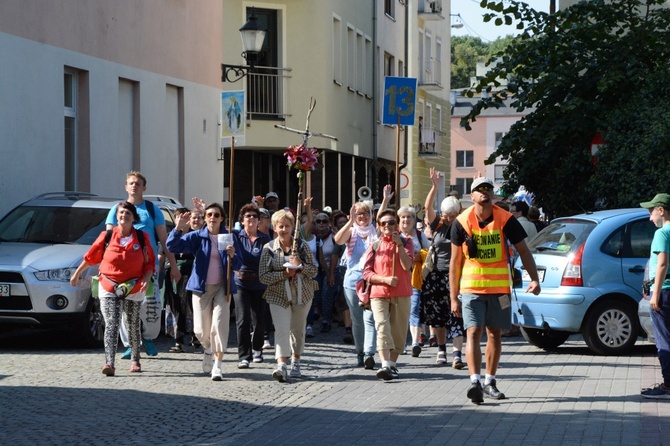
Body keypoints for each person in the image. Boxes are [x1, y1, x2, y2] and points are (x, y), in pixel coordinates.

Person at [450, 177, 541, 404]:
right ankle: (474, 381)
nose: (485, 192)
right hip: (471, 288)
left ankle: (490, 381)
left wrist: (534, 278)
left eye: (488, 189)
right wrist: (453, 298)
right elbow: (455, 263)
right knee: (473, 332)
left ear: (493, 195)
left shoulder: (506, 219)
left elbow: (523, 250)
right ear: (471, 196)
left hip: (499, 289)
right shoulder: (461, 222)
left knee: (494, 334)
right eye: (479, 189)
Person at [70, 201, 155, 375]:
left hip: (133, 286)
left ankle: (135, 359)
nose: (123, 216)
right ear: (117, 216)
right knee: (111, 323)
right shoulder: (107, 236)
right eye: (121, 213)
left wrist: (146, 278)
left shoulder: (141, 237)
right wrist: (77, 273)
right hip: (109, 284)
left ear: (134, 218)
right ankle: (109, 363)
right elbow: (91, 256)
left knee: (132, 323)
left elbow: (149, 263)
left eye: (127, 214)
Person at [106, 171, 180, 358]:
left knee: (150, 305)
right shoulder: (117, 209)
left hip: (148, 267)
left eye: (138, 184)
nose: (134, 186)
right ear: (126, 186)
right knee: (124, 307)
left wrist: (173, 265)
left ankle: (147, 337)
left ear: (144, 188)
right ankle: (132, 343)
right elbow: (108, 240)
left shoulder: (152, 209)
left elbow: (164, 239)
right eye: (131, 183)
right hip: (122, 269)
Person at [166, 203, 241, 381]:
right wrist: (178, 228)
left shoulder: (228, 237)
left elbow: (238, 264)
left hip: (223, 287)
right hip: (201, 287)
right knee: (200, 330)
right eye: (209, 215)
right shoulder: (198, 237)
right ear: (205, 218)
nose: (212, 218)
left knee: (219, 326)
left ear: (222, 218)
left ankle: (218, 364)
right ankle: (207, 348)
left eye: (216, 215)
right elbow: (172, 246)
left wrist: (233, 256)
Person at [259, 209, 318, 382]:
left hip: (302, 294)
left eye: (287, 226)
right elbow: (263, 276)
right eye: (280, 226)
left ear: (293, 227)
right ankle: (281, 365)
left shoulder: (301, 246)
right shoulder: (268, 248)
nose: (284, 229)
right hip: (278, 295)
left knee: (298, 330)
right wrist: (283, 274)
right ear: (275, 228)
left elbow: (313, 271)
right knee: (282, 328)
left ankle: (296, 361)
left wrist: (300, 266)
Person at [362, 209, 414, 380]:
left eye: (391, 222)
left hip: (402, 293)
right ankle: (385, 364)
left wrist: (399, 245)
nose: (387, 226)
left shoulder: (406, 243)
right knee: (382, 326)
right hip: (379, 294)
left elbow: (407, 266)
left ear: (397, 224)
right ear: (379, 226)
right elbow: (367, 273)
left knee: (399, 331)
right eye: (383, 223)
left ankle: (392, 364)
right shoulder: (375, 246)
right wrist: (383, 279)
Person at [424, 168, 466, 368]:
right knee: (438, 316)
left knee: (457, 315)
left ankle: (457, 353)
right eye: (447, 215)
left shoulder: (464, 225)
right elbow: (427, 208)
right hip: (437, 276)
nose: (450, 219)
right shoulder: (438, 225)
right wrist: (434, 187)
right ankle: (441, 350)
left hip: (458, 276)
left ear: (458, 212)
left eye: (453, 215)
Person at [333, 201, 379, 368]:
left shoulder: (375, 232)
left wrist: (386, 200)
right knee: (358, 320)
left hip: (372, 282)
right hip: (353, 282)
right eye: (359, 214)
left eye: (365, 213)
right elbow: (338, 240)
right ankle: (360, 351)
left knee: (370, 318)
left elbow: (382, 220)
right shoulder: (352, 232)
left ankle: (369, 353)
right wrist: (350, 221)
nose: (362, 216)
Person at [233, 204, 271, 368]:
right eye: (248, 216)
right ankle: (244, 355)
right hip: (240, 282)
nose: (252, 219)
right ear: (242, 220)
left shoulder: (265, 240)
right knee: (243, 319)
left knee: (260, 319)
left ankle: (257, 349)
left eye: (255, 216)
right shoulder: (235, 237)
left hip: (260, 283)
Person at [640, 193, 670, 399]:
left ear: (661, 210)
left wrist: (655, 294)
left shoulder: (662, 233)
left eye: (651, 211)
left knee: (664, 340)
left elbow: (661, 264)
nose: (650, 217)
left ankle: (668, 385)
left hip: (665, 290)